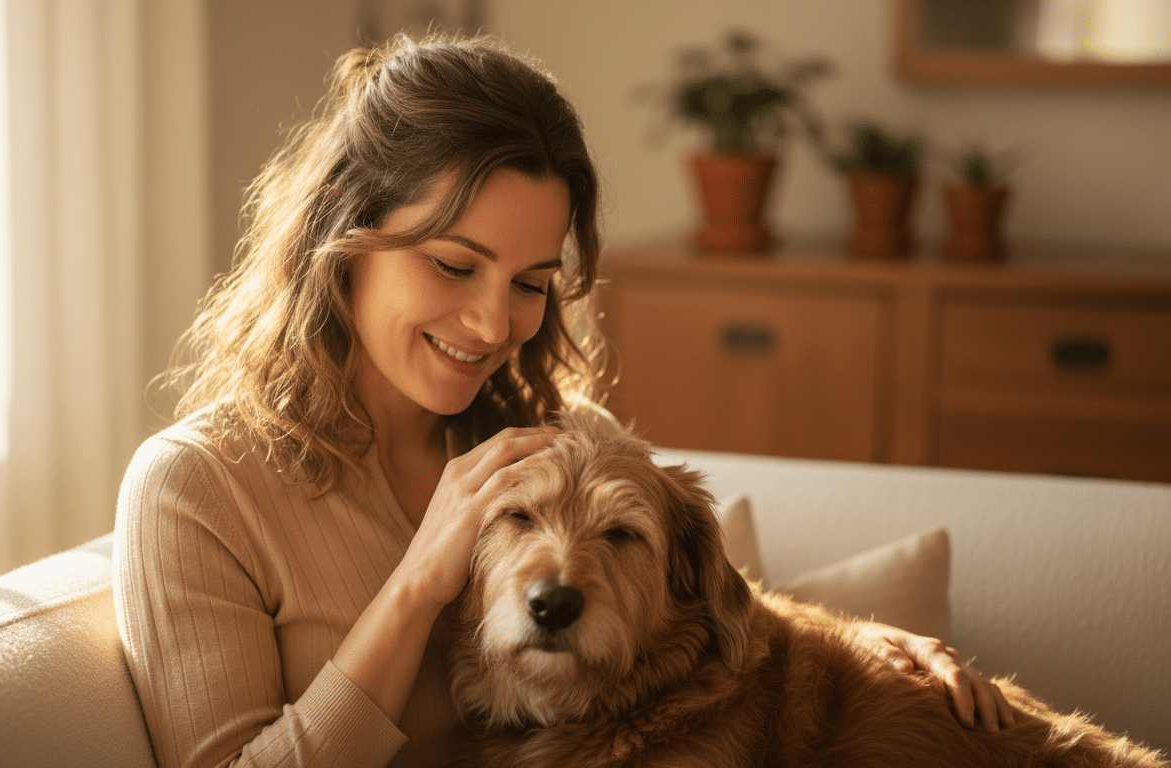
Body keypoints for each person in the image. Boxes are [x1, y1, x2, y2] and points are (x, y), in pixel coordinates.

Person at [112, 32, 1013, 768]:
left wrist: (869, 649)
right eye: (454, 265)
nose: (491, 323)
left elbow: (709, 615)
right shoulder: (197, 491)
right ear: (344, 229)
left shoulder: (562, 439)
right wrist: (417, 585)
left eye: (531, 283)